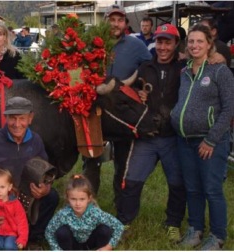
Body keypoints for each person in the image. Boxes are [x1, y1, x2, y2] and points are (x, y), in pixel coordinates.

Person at [116, 24, 186, 242]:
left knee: (177, 183)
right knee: (132, 181)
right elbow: (128, 92)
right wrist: (138, 93)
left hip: (173, 138)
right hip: (147, 137)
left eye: (168, 42)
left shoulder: (185, 66)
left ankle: (173, 223)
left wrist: (217, 57)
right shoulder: (145, 67)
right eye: (160, 42)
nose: (163, 47)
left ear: (176, 44)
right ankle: (124, 222)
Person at [171, 24, 234, 250]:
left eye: (200, 41)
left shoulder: (220, 71)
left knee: (212, 189)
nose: (195, 45)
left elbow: (229, 109)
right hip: (185, 140)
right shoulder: (185, 71)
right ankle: (195, 229)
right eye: (191, 41)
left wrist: (211, 140)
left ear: (209, 44)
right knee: (193, 188)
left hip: (210, 141)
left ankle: (217, 236)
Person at [83, 4, 152, 204]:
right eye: (111, 19)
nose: (115, 24)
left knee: (123, 160)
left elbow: (149, 66)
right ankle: (87, 201)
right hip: (95, 111)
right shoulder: (91, 43)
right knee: (91, 157)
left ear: (125, 23)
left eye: (119, 20)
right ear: (105, 21)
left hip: (122, 112)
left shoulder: (136, 45)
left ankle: (120, 202)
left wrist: (143, 86)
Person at [0, 96, 59, 247]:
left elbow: (46, 171)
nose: (17, 124)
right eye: (12, 118)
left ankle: (32, 238)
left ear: (30, 118)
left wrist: (45, 188)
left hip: (25, 199)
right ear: (5, 118)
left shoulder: (36, 140)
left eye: (22, 118)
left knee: (52, 197)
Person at [45, 174, 124, 250]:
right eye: (73, 199)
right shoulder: (63, 214)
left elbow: (118, 226)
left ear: (89, 198)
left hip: (91, 242)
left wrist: (109, 246)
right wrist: (57, 249)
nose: (77, 204)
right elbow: (49, 232)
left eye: (82, 199)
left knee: (105, 230)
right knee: (62, 232)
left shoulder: (95, 213)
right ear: (68, 198)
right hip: (72, 244)